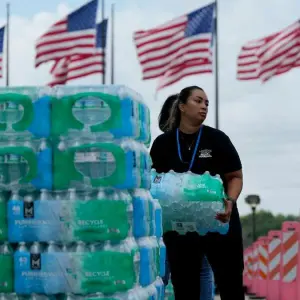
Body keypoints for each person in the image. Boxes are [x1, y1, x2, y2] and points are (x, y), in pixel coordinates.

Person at [150, 86, 244, 300]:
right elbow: (155, 182)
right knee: (184, 285)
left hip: (219, 220)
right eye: (198, 101)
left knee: (230, 281)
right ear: (182, 106)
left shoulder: (217, 139)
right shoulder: (163, 144)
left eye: (207, 103)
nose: (204, 107)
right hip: (181, 227)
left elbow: (235, 176)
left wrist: (230, 200)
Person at [158, 94, 214, 300]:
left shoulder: (163, 145)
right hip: (195, 219)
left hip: (169, 221)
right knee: (201, 268)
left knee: (162, 269)